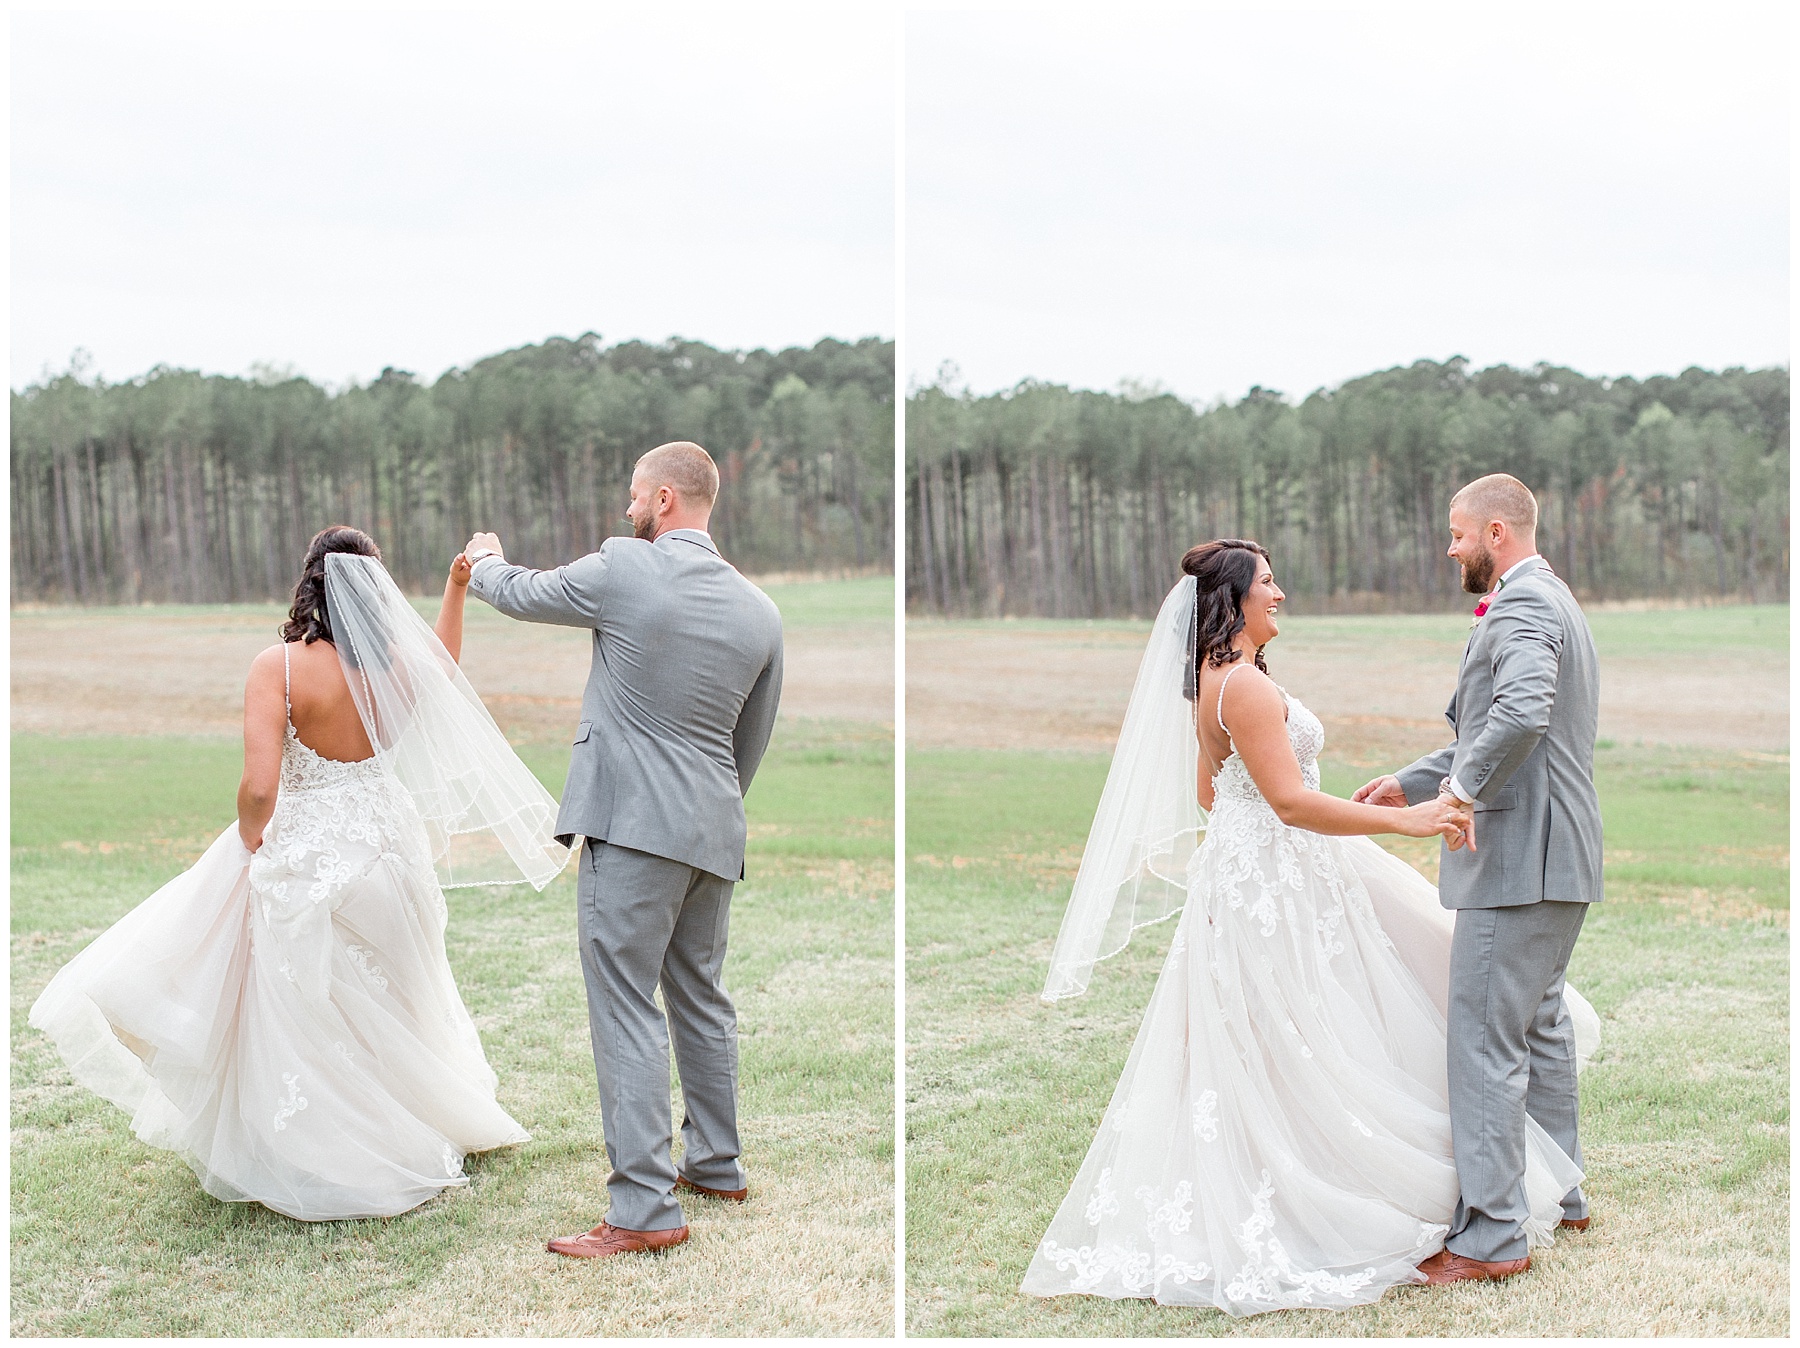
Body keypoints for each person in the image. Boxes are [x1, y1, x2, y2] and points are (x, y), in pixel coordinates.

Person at [1021, 534, 1598, 1316]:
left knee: (1297, 1035)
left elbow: (1212, 792)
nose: (1281, 593)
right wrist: (1409, 822)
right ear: (1235, 601)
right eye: (1268, 583)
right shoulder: (1248, 689)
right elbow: (1288, 801)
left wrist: (1260, 847)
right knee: (1324, 1033)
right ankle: (1374, 1195)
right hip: (1276, 879)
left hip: (1261, 874)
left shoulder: (1216, 681)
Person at [29, 526, 569, 1221]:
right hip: (390, 848)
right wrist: (457, 587)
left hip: (311, 849)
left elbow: (259, 790)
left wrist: (256, 842)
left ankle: (317, 1155)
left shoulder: (277, 667)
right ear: (376, 594)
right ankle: (413, 1125)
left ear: (309, 584)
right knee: (396, 1000)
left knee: (307, 1009)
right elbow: (446, 664)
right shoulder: (399, 668)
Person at [462, 439, 784, 1260]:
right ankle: (716, 1165)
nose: (626, 508)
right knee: (702, 998)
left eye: (636, 495)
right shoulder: (760, 610)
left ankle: (642, 1209)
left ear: (667, 500)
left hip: (634, 828)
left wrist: (486, 558)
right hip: (713, 829)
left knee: (625, 1005)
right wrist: (708, 810)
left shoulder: (623, 568)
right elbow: (749, 742)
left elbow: (524, 594)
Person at [1353, 473, 1601, 1284]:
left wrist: (1458, 794)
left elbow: (1524, 714)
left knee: (1486, 1042)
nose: (1450, 547)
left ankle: (1493, 1237)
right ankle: (1558, 1193)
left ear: (1498, 532)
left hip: (1519, 860)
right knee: (1542, 1026)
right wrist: (1415, 781)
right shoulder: (1555, 597)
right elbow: (1502, 723)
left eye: (1459, 533)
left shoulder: (1523, 605)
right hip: (1559, 857)